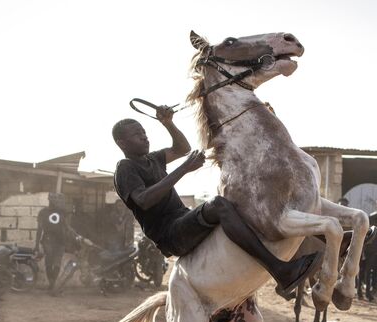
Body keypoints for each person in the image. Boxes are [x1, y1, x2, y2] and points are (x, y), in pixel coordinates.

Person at [111, 106, 322, 298]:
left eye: (144, 133)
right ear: (121, 143)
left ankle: (315, 240)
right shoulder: (125, 168)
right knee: (219, 205)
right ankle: (280, 270)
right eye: (137, 135)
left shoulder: (153, 159)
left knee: (237, 203)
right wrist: (184, 168)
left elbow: (182, 148)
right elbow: (144, 200)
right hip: (170, 234)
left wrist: (168, 123)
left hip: (182, 218)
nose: (144, 137)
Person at [35, 193, 77, 295]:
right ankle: (52, 284)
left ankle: (53, 284)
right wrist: (36, 244)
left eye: (57, 199)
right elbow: (39, 229)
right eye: (53, 199)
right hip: (48, 240)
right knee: (49, 262)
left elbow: (67, 226)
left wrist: (75, 235)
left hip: (60, 240)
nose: (56, 201)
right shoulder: (43, 212)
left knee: (57, 262)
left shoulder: (62, 212)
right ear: (49, 200)